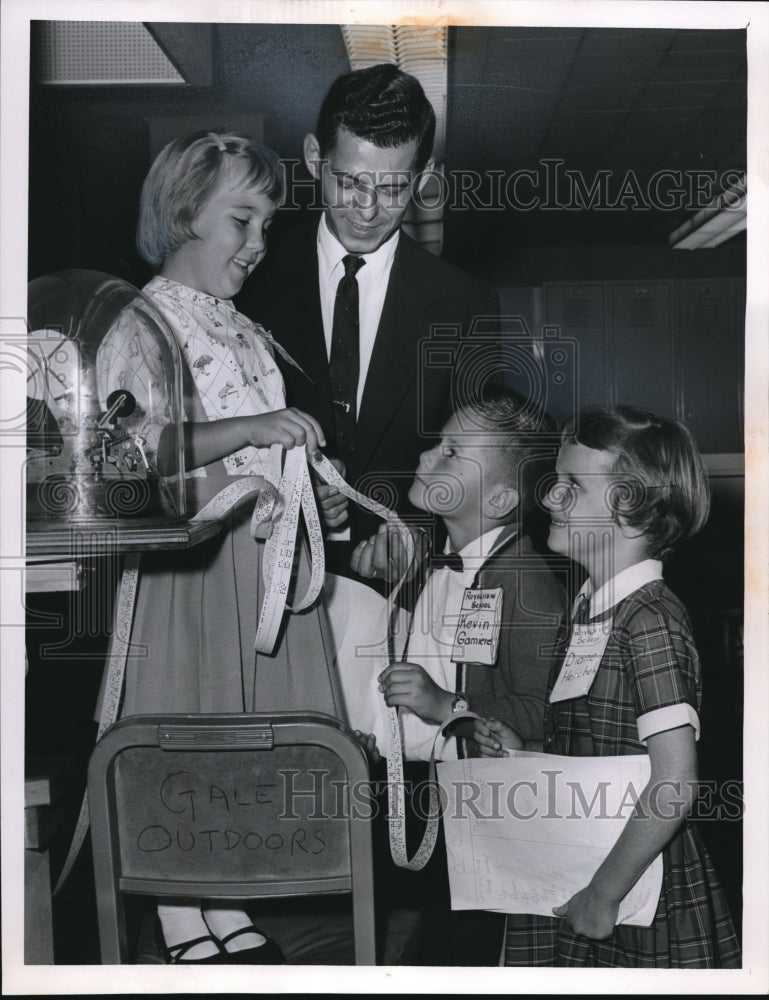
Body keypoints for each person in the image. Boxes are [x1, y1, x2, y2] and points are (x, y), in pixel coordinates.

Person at [96, 130, 343, 964]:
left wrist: (316, 496)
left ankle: (223, 896)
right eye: (242, 220)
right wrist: (252, 426)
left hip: (257, 561)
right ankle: (176, 907)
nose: (258, 243)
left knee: (243, 728)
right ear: (181, 214)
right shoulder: (138, 320)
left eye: (268, 226)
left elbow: (267, 443)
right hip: (190, 564)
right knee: (187, 723)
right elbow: (124, 450)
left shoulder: (241, 327)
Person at [473, 406, 742, 967]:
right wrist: (530, 753)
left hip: (634, 889)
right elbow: (605, 749)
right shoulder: (588, 608)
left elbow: (673, 784)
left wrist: (603, 896)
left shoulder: (651, 621)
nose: (549, 498)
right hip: (588, 864)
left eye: (572, 485)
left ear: (634, 509)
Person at [238, 63, 499, 567]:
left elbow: (479, 459)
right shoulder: (247, 283)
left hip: (398, 587)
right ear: (315, 158)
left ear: (422, 179)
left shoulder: (467, 306)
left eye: (393, 189)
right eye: (350, 182)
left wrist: (419, 534)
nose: (366, 209)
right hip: (267, 571)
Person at [349, 386, 566, 964]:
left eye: (449, 451)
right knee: (440, 934)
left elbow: (548, 714)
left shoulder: (524, 581)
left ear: (497, 499)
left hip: (490, 808)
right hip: (434, 794)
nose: (425, 457)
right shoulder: (446, 561)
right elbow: (426, 640)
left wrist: (445, 704)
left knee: (474, 947)